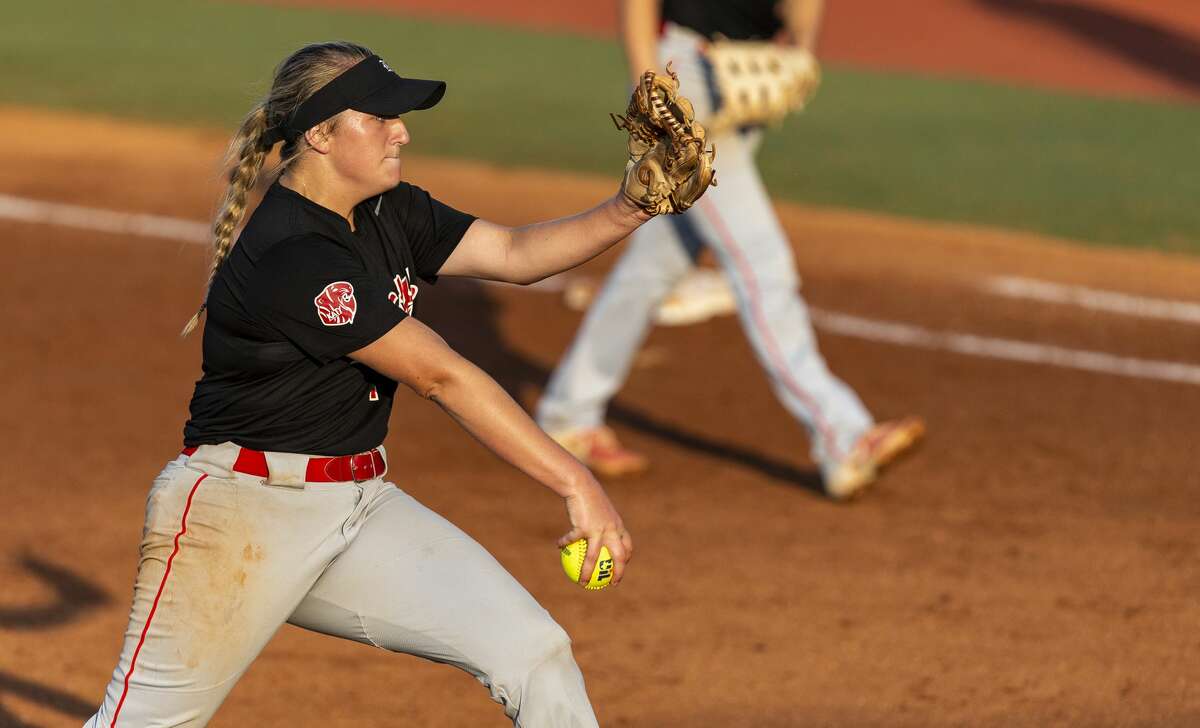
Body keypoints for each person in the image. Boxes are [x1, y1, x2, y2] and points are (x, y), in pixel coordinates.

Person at [84, 40, 676, 727]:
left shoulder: (388, 209)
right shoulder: (294, 256)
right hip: (241, 516)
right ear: (320, 134)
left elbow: (514, 254)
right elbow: (440, 375)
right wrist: (576, 481)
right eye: (382, 116)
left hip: (358, 510)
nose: (403, 130)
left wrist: (630, 206)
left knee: (533, 653)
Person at [536, 0, 924, 498]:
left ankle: (569, 414)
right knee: (761, 262)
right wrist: (650, 89)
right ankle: (842, 436)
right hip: (685, 86)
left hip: (746, 85)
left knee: (657, 264)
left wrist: (803, 50)